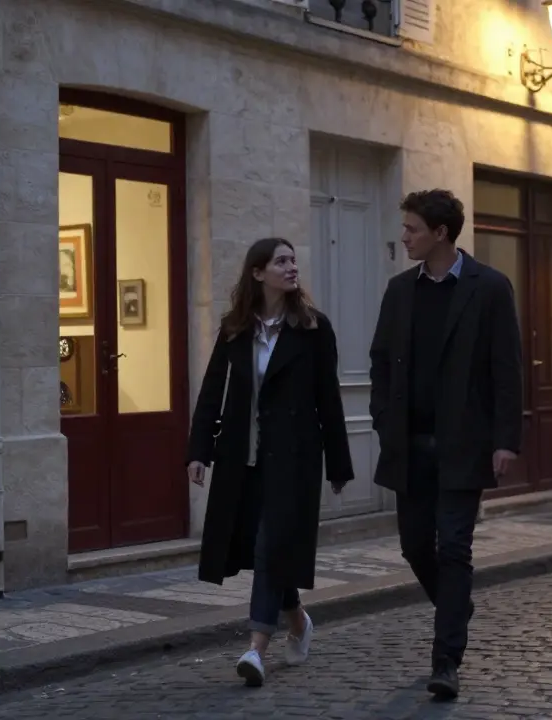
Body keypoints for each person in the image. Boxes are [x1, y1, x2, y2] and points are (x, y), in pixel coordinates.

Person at [368, 189, 524, 700]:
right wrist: (382, 418)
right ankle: (456, 604)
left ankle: (446, 660)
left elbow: (507, 370)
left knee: (454, 547)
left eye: (412, 229)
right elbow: (380, 358)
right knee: (416, 546)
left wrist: (506, 440)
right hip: (410, 446)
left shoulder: (490, 288)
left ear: (440, 233)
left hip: (465, 444)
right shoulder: (398, 291)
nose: (404, 236)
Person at [187, 237, 354, 688]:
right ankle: (297, 620)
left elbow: (328, 400)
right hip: (243, 459)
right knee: (269, 548)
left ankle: (255, 648)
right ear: (258, 273)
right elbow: (211, 392)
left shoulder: (314, 329)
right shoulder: (235, 329)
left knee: (268, 546)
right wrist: (199, 451)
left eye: (294, 260)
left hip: (294, 458)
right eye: (281, 261)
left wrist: (339, 464)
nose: (292, 267)